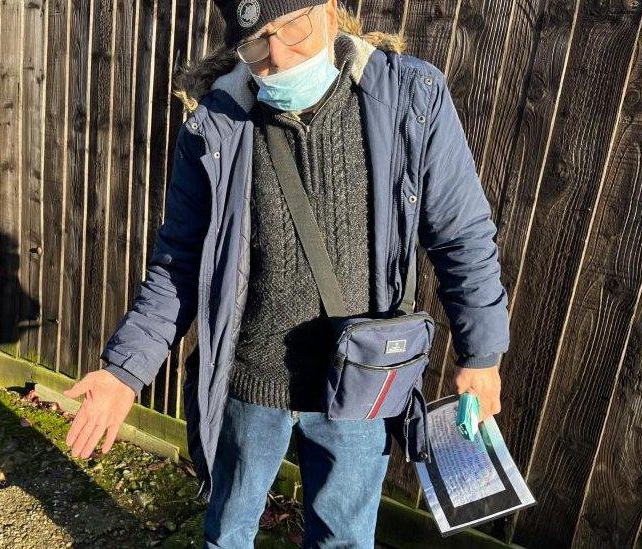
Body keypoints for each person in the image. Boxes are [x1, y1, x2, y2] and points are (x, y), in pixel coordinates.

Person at [63, 1, 511, 547]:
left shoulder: (410, 98)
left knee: (343, 539)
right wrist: (125, 371)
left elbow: (461, 233)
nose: (276, 55)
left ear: (328, 10)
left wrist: (481, 355)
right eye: (256, 42)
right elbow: (180, 262)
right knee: (228, 531)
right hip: (249, 381)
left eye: (291, 27)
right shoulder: (216, 123)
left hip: (361, 381)